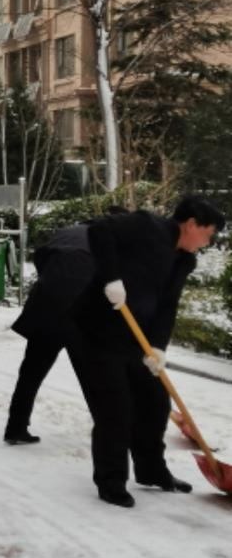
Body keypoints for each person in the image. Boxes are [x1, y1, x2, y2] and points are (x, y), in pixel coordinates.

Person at [74, 195, 225, 508]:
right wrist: (111, 277)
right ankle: (111, 481)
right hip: (97, 331)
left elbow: (167, 306)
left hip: (137, 337)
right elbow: (99, 231)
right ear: (192, 223)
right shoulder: (146, 225)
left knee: (155, 402)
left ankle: (151, 471)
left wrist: (157, 347)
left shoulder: (184, 259)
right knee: (115, 408)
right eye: (208, 233)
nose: (208, 241)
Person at [4, 206, 129, 445]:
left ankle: (15, 428)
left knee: (30, 373)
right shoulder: (111, 245)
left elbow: (41, 259)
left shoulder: (69, 231)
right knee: (94, 380)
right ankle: (111, 438)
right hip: (79, 316)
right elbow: (114, 288)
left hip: (45, 309)